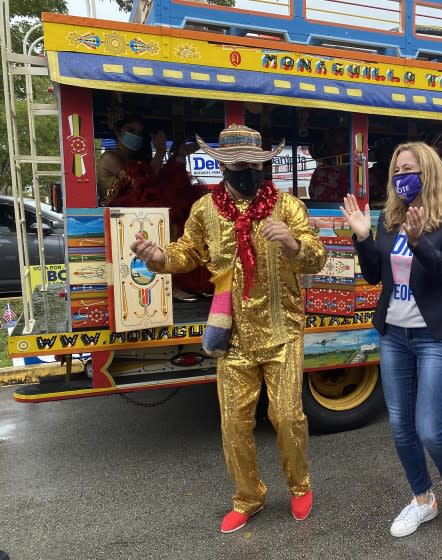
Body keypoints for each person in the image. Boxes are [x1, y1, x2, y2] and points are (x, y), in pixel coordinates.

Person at [130, 124, 326, 532]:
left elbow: (316, 257)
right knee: (234, 423)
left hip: (281, 329)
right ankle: (248, 496)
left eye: (256, 166)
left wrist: (292, 244)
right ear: (225, 167)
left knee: (288, 416)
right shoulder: (205, 210)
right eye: (240, 166)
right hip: (231, 333)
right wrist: (159, 257)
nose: (249, 173)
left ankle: (300, 484)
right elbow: (187, 253)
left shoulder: (286, 207)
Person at [340, 141, 442, 536]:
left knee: (430, 427)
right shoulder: (388, 217)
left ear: (427, 172)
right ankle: (422, 499)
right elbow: (373, 276)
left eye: (409, 169)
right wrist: (363, 237)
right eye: (396, 171)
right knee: (401, 426)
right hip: (394, 334)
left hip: (434, 335)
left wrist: (419, 242)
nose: (401, 178)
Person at [99, 116, 208, 301]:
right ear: (118, 132)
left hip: (136, 207)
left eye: (139, 133)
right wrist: (160, 153)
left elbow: (152, 179)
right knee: (171, 219)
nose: (136, 136)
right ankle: (170, 285)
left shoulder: (133, 158)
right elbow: (140, 183)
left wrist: (175, 155)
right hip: (120, 211)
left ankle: (183, 278)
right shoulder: (111, 157)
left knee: (183, 214)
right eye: (131, 131)